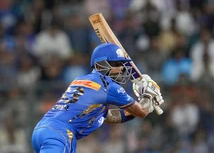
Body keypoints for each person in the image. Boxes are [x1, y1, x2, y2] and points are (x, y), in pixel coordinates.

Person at [31, 43, 164, 153]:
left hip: (44, 130)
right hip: (60, 134)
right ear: (102, 64)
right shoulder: (108, 86)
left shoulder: (81, 80)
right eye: (118, 64)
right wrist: (147, 96)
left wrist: (143, 106)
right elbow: (141, 111)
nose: (122, 69)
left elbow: (109, 117)